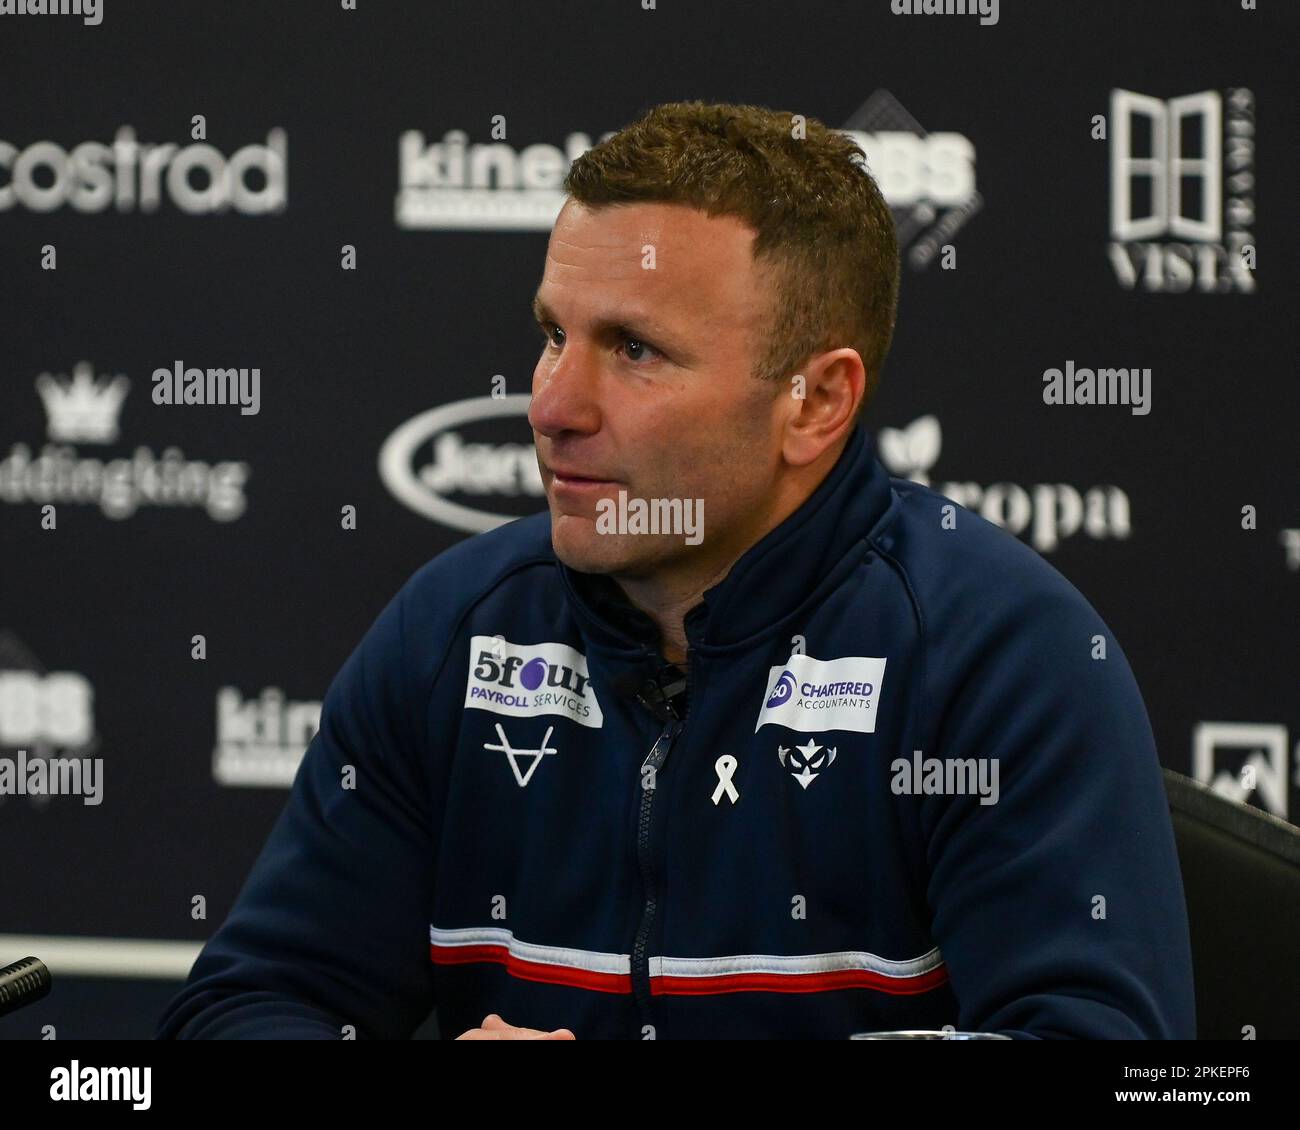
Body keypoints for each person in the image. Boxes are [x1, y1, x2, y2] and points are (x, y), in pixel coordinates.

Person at [157, 100, 1195, 1040]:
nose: (553, 406)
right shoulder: (455, 630)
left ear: (816, 401)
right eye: (552, 335)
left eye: (635, 350)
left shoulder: (1000, 653)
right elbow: (248, 1007)